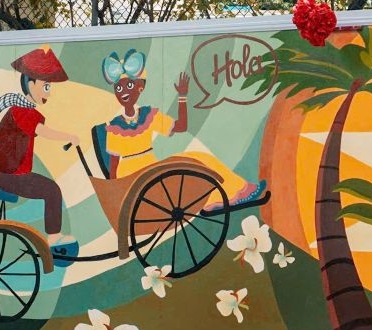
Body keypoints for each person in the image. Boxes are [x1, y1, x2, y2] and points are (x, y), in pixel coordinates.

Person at [99, 49, 264, 210]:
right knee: (189, 165)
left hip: (152, 169)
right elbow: (113, 163)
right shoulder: (115, 126)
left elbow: (181, 126)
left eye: (129, 85)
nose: (123, 92)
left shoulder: (147, 115)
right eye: (118, 88)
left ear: (140, 87)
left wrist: (182, 97)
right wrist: (116, 192)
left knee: (198, 158)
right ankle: (227, 195)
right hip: (131, 177)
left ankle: (235, 192)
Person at [0, 47, 79, 245]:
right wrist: (69, 136)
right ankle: (54, 238)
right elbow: (42, 130)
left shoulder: (22, 108)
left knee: (50, 189)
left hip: (11, 175)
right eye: (46, 86)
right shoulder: (22, 111)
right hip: (12, 178)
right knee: (52, 191)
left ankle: (54, 237)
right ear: (31, 84)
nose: (49, 93)